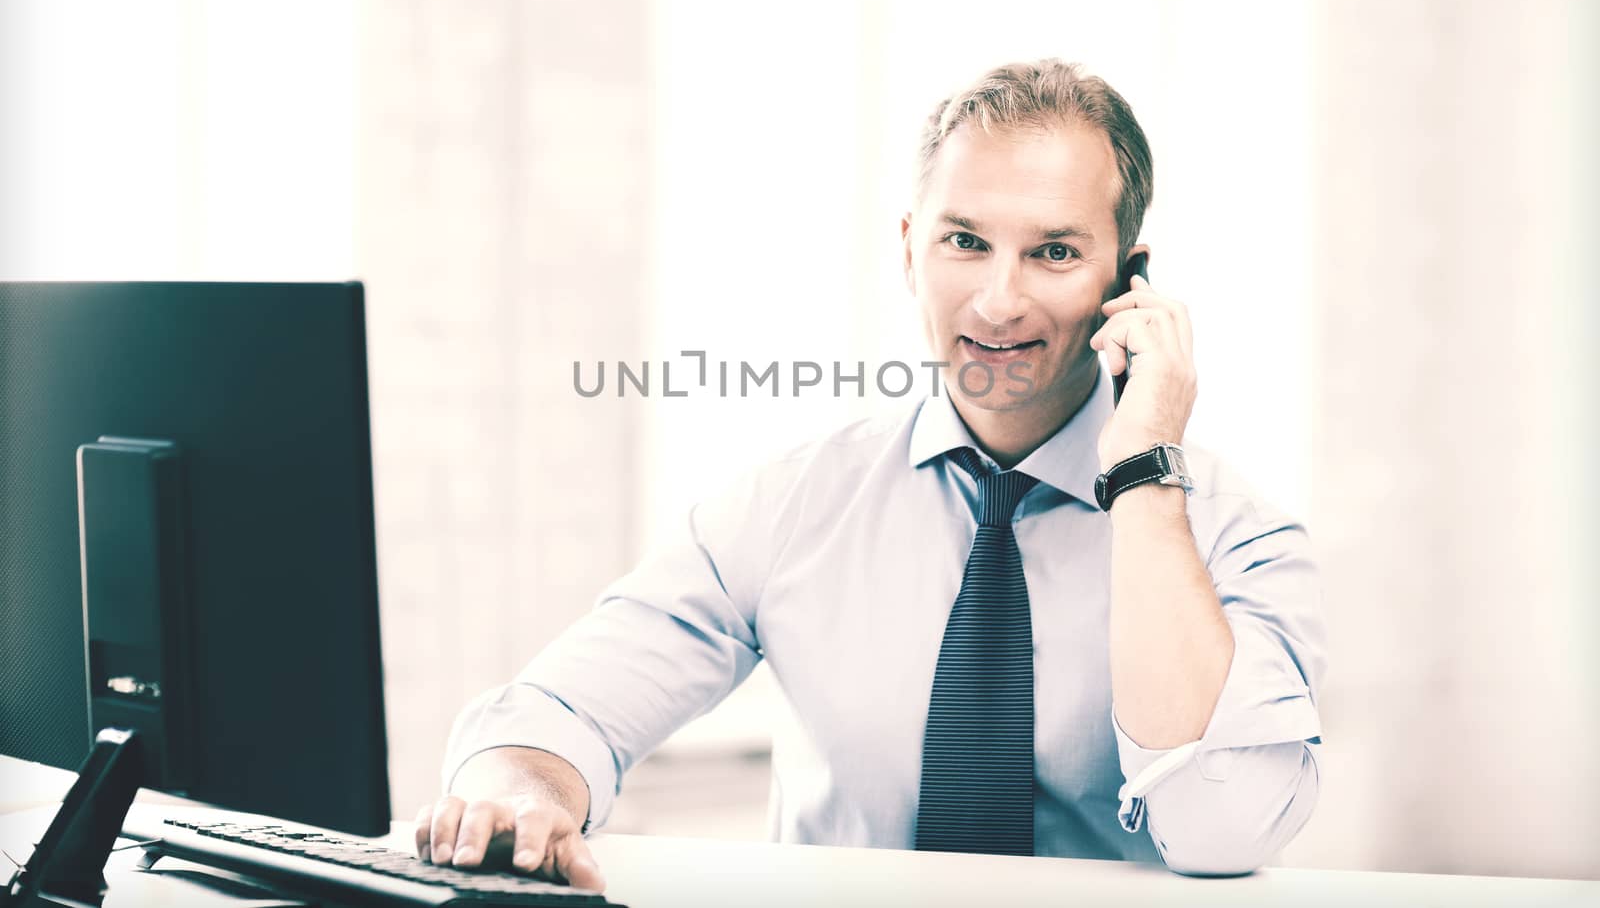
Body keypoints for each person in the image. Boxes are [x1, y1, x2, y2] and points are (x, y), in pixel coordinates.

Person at [414, 60, 1325, 890]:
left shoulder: (1235, 533)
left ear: (1128, 279)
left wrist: (1142, 474)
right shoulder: (796, 501)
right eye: (964, 241)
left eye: (1053, 251)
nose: (998, 299)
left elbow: (1222, 828)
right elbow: (564, 707)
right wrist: (519, 791)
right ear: (908, 248)